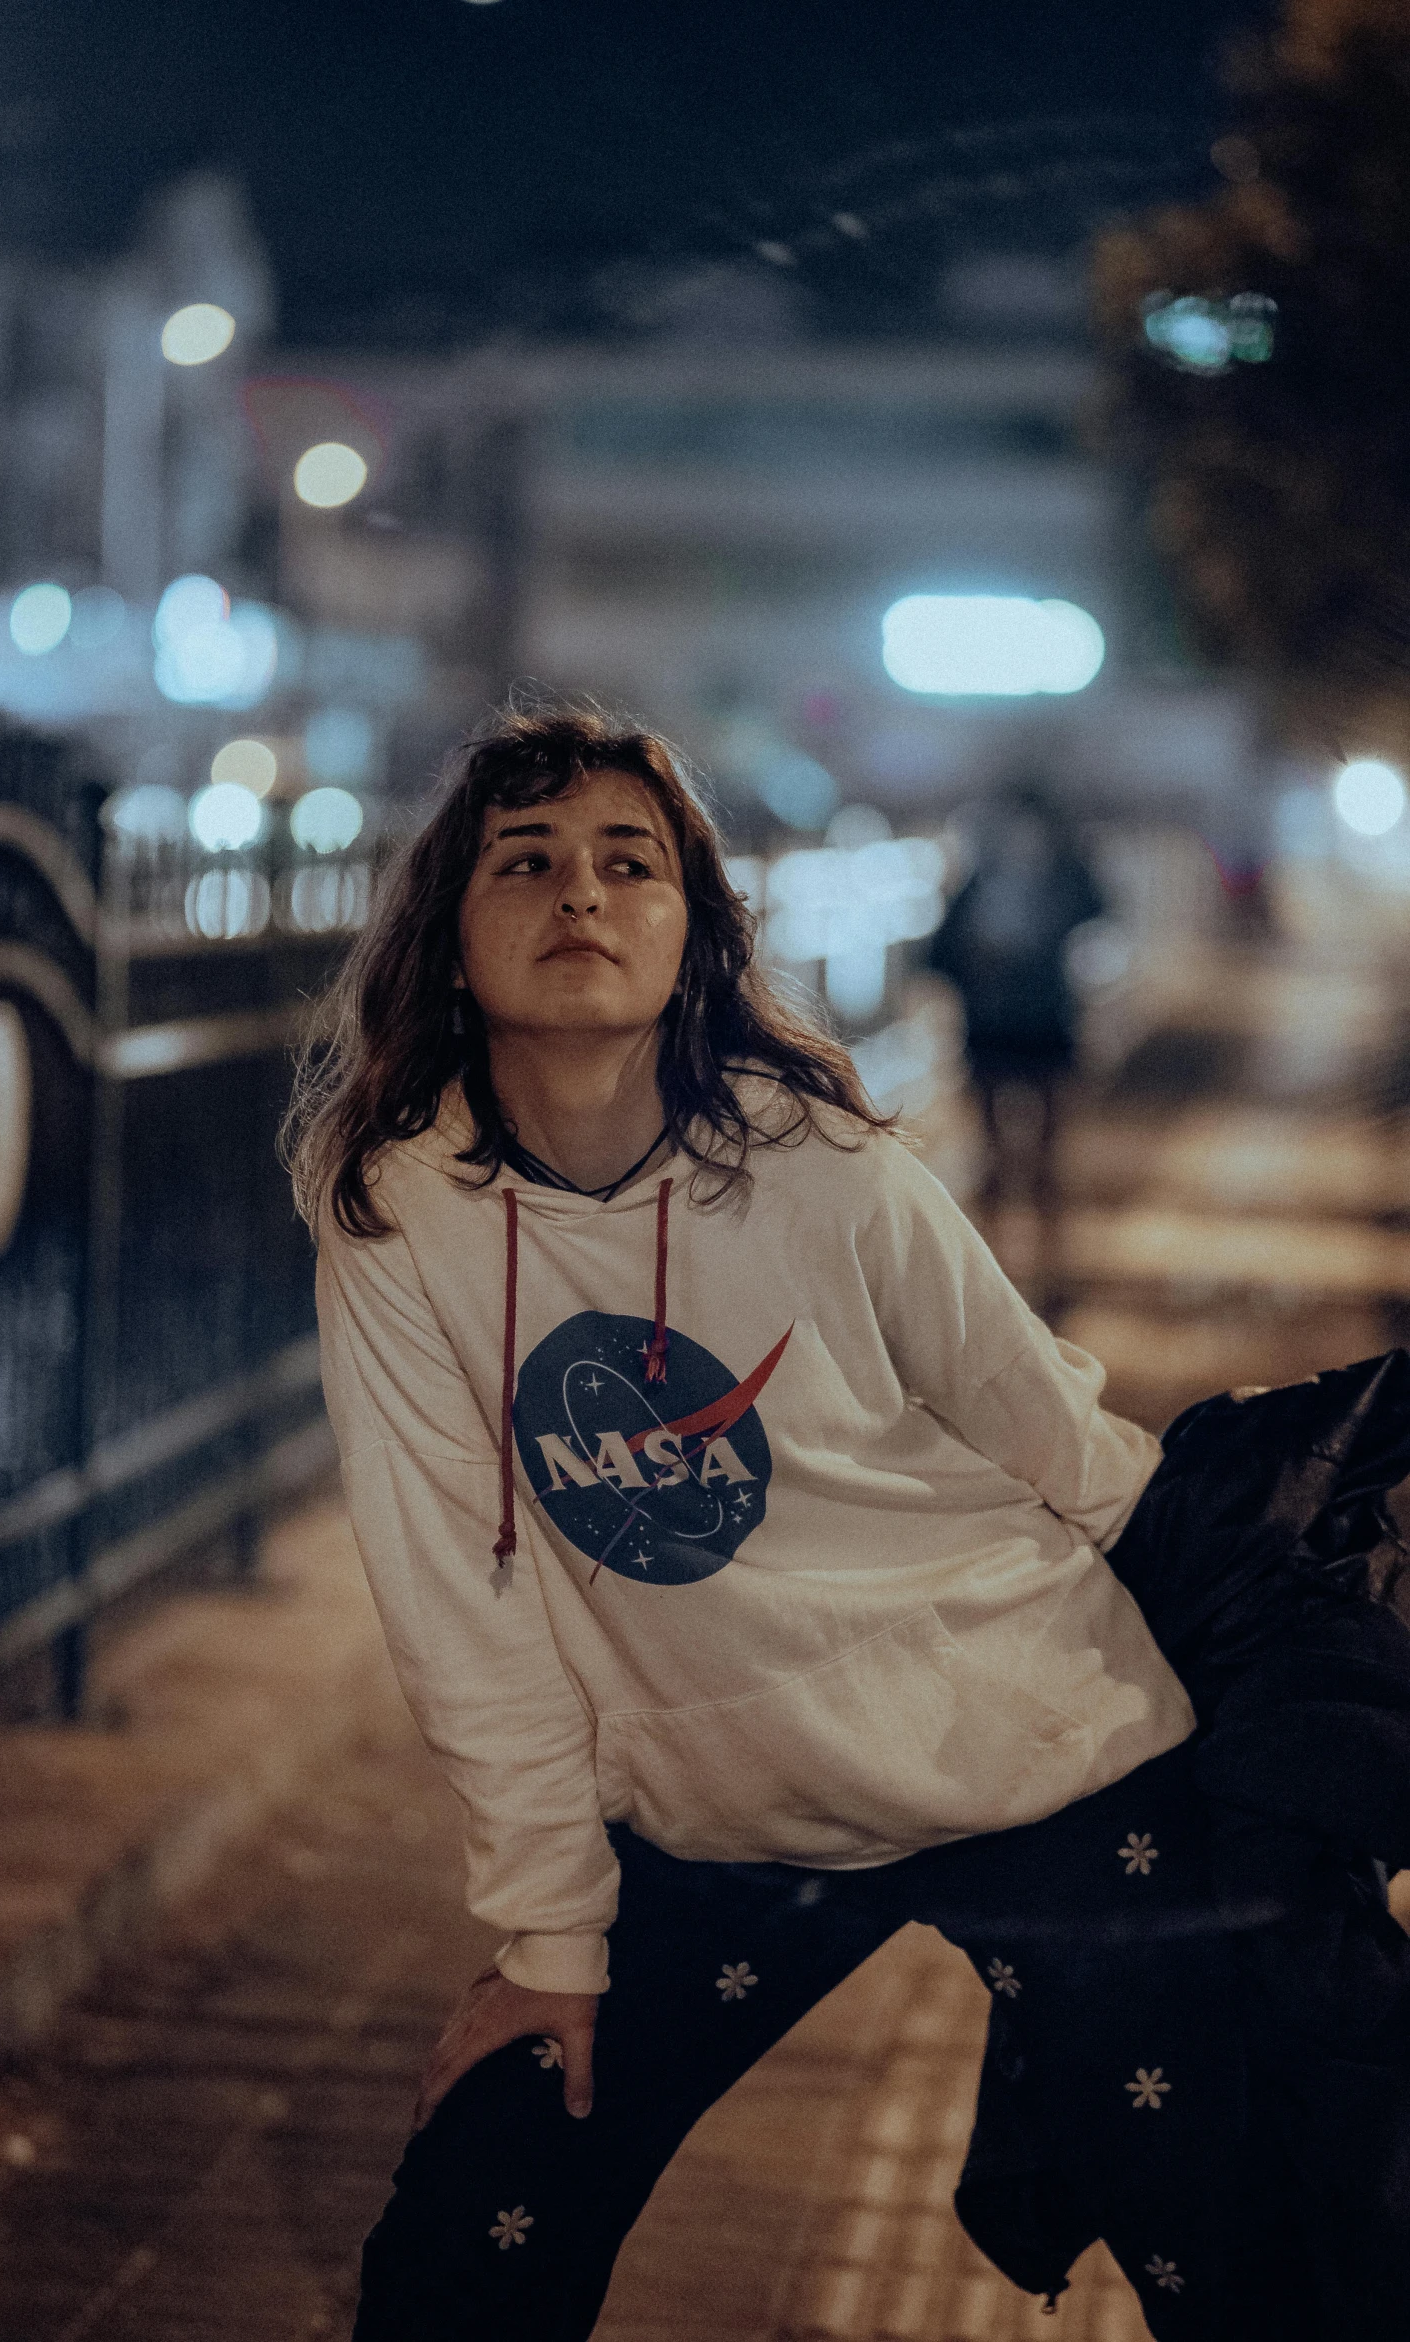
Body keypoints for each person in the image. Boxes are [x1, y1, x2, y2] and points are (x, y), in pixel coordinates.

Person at [287, 709, 1297, 2341]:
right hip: (719, 1815)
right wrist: (547, 1933)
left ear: (695, 929)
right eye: (523, 862)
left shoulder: (824, 1168)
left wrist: (1256, 1675)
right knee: (467, 2242)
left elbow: (1046, 1431)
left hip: (1038, 1745)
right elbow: (462, 1611)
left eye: (631, 861)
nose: (581, 895)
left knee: (1240, 2239)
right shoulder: (401, 1218)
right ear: (444, 937)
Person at [927, 779, 1104, 1215]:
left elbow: (936, 956)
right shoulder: (986, 884)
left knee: (1044, 1156)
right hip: (1003, 1028)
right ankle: (1008, 1255)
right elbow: (938, 954)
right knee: (997, 1153)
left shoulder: (1058, 881)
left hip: (1031, 1026)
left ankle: (1036, 1256)